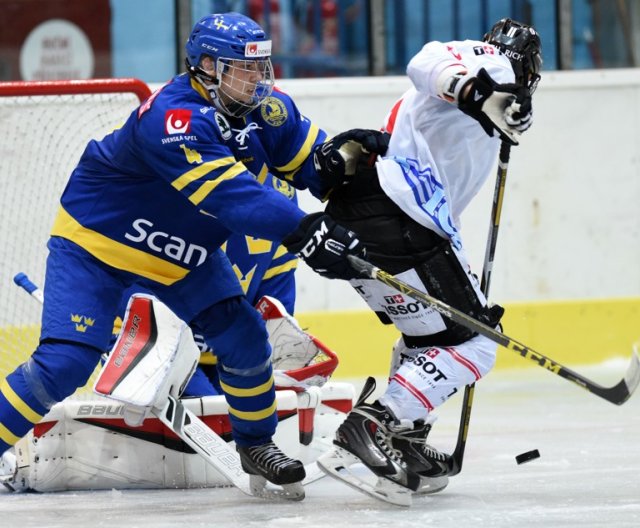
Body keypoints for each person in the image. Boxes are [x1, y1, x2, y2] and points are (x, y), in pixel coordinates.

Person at [0, 11, 387, 499]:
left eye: (261, 67)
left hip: (184, 256)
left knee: (245, 337)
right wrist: (305, 229)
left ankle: (256, 444)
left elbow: (313, 167)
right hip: (97, 248)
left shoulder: (269, 111)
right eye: (243, 68)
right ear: (206, 66)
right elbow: (231, 197)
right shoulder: (173, 118)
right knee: (66, 363)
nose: (258, 79)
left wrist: (350, 161)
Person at [315, 18, 542, 502]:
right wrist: (479, 93)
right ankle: (374, 423)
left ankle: (404, 437)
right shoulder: (491, 64)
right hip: (396, 214)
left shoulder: (479, 107)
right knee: (477, 344)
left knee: (431, 338)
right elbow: (425, 61)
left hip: (367, 215)